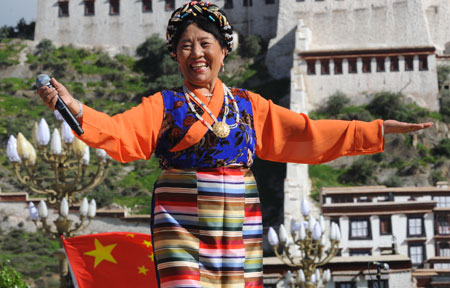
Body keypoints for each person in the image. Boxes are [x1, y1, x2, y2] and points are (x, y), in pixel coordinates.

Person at [37, 1, 433, 287]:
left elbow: (306, 133)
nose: (196, 53)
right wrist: (72, 107)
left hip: (239, 217)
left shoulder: (248, 105)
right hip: (179, 216)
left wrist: (376, 130)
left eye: (205, 43)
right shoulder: (163, 104)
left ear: (223, 51)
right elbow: (117, 131)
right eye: (185, 46)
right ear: (175, 55)